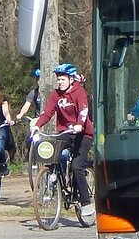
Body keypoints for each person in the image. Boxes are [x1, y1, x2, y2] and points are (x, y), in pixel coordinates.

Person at [30, 63, 94, 220]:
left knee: (76, 166)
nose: (60, 82)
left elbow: (83, 111)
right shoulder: (55, 95)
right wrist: (37, 126)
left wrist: (80, 124)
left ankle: (86, 203)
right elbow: (47, 113)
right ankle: (56, 177)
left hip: (82, 134)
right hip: (65, 133)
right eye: (58, 79)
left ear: (71, 79)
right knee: (53, 152)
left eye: (63, 79)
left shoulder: (79, 92)